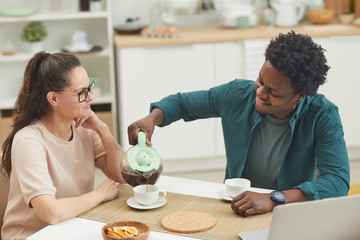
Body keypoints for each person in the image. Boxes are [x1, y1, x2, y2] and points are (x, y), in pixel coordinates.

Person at [127, 31, 350, 217]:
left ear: (299, 96)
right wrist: (151, 118)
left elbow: (337, 182)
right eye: (261, 81)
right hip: (237, 207)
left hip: (290, 210)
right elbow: (182, 104)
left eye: (272, 92)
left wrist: (274, 199)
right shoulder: (237, 95)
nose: (260, 93)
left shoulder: (322, 114)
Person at [1, 52, 125, 240]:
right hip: (32, 235)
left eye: (89, 87)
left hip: (71, 227)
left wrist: (102, 128)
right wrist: (99, 195)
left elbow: (122, 175)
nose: (90, 97)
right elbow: (51, 212)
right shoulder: (29, 141)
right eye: (82, 92)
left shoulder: (85, 128)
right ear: (54, 99)